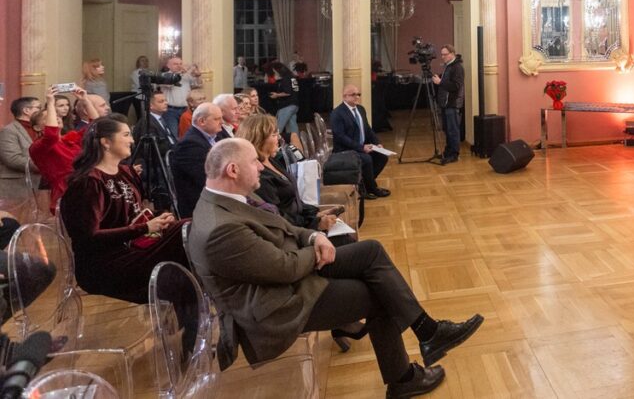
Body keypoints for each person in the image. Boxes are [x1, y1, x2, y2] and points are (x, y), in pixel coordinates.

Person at [188, 138, 484, 396]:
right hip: (275, 305)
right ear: (233, 170)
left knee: (371, 251)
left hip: (287, 273)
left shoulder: (228, 198)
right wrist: (317, 250)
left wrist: (316, 235)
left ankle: (428, 333)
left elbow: (284, 227)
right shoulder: (220, 228)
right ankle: (405, 374)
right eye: (255, 162)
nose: (262, 167)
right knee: (378, 295)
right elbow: (284, 269)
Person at [60, 115, 188, 303]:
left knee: (186, 232)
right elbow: (89, 236)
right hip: (105, 264)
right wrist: (145, 228)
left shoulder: (126, 173)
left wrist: (158, 218)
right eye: (126, 135)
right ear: (106, 142)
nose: (132, 140)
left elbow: (132, 213)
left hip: (134, 248)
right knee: (186, 229)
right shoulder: (89, 182)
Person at [236, 114, 351, 244]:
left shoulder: (272, 161)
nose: (279, 138)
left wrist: (316, 213)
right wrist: (315, 223)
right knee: (353, 244)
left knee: (347, 237)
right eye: (274, 135)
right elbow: (278, 217)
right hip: (292, 235)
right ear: (259, 140)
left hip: (302, 223)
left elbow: (294, 200)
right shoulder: (259, 175)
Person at [30, 87, 94, 214]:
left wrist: (85, 100)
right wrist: (50, 102)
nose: (56, 117)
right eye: (48, 117)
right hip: (67, 193)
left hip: (88, 186)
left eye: (55, 115)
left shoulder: (70, 138)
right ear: (37, 127)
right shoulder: (37, 147)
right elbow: (51, 135)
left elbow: (96, 126)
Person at [329, 85, 391, 199]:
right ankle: (372, 188)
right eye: (353, 95)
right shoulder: (337, 113)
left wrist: (377, 143)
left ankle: (365, 186)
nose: (357, 97)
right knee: (366, 159)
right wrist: (361, 147)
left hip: (362, 146)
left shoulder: (361, 109)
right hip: (346, 149)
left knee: (383, 155)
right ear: (344, 96)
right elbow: (341, 137)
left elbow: (368, 129)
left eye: (358, 94)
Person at [169, 103, 225, 219]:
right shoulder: (189, 145)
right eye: (217, 119)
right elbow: (207, 179)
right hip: (201, 205)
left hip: (217, 197)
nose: (222, 122)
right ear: (202, 121)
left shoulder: (217, 136)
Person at [0, 96, 42, 204]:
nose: (42, 111)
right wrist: (43, 165)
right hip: (16, 187)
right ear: (26, 111)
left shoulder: (39, 128)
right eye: (38, 108)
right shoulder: (9, 131)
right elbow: (12, 158)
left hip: (38, 186)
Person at [431, 45, 464, 165]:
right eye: (442, 54)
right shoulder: (448, 66)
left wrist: (440, 82)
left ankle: (454, 154)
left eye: (445, 54)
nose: (442, 57)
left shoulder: (457, 67)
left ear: (452, 53)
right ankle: (448, 152)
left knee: (452, 130)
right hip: (445, 103)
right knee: (447, 129)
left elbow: (456, 86)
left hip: (452, 104)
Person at [161, 56, 204, 135]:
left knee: (188, 133)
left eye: (180, 64)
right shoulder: (164, 75)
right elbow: (170, 84)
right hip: (170, 111)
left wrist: (198, 76)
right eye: (175, 64)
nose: (179, 66)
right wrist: (181, 73)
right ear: (168, 65)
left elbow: (198, 85)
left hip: (186, 109)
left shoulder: (186, 76)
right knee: (173, 134)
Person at [268, 62, 300, 145]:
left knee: (278, 126)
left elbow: (288, 92)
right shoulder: (293, 77)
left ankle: (271, 144)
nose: (275, 73)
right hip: (295, 104)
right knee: (293, 127)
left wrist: (276, 95)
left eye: (275, 71)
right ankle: (296, 144)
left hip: (287, 105)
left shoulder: (286, 78)